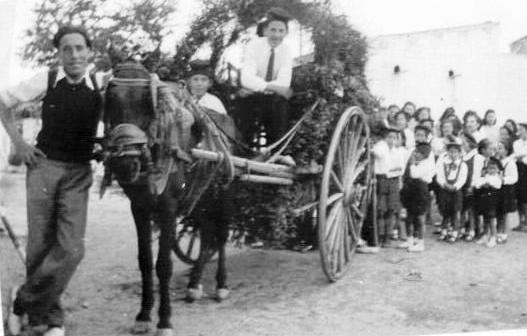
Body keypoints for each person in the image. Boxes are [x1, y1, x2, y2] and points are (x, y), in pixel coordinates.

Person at [0, 26, 102, 336]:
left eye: (79, 48)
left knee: (71, 249)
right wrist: (19, 143)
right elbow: (3, 101)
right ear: (58, 54)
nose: (74, 55)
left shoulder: (101, 83)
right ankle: (48, 319)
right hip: (44, 168)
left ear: (89, 52)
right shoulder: (45, 80)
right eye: (66, 49)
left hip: (78, 172)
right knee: (40, 245)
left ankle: (25, 301)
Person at [235, 7, 293, 147]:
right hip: (252, 96)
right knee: (244, 105)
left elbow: (284, 83)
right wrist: (270, 87)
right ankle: (244, 151)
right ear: (265, 30)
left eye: (281, 31)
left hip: (271, 99)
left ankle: (275, 152)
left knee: (280, 107)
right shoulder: (254, 46)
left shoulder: (286, 52)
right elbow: (247, 78)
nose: (276, 35)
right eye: (273, 30)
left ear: (286, 33)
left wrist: (259, 86)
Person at [372, 127, 407, 247]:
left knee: (391, 210)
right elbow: (377, 153)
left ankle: (388, 236)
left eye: (394, 138)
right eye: (389, 137)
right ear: (385, 138)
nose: (392, 140)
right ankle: (380, 236)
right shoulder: (380, 148)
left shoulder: (398, 152)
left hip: (393, 181)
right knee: (381, 210)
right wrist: (382, 144)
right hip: (381, 180)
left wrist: (390, 172)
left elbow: (400, 168)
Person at [399, 142, 435, 252]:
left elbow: (414, 174)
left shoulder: (426, 165)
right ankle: (410, 239)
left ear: (425, 155)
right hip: (411, 189)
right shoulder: (416, 162)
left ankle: (420, 242)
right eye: (415, 152)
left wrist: (412, 164)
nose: (415, 154)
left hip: (421, 191)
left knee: (419, 217)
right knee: (409, 216)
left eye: (418, 153)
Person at [435, 137, 468, 242]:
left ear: (459, 153)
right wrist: (444, 184)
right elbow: (439, 176)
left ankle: (454, 231)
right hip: (445, 189)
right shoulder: (443, 163)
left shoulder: (462, 165)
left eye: (455, 152)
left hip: (455, 190)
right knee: (445, 211)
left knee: (455, 211)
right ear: (447, 152)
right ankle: (444, 230)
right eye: (450, 152)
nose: (453, 154)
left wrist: (455, 186)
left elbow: (463, 178)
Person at [473, 157, 503, 248]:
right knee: (485, 218)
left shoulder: (497, 178)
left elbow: (497, 186)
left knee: (491, 218)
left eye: (494, 168)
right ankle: (485, 235)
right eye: (490, 168)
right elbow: (477, 185)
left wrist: (489, 184)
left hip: (492, 201)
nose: (492, 170)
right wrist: (482, 184)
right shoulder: (485, 177)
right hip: (485, 200)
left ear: (498, 169)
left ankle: (493, 236)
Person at [496, 138, 518, 243]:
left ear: (507, 150)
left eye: (500, 148)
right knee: (498, 212)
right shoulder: (496, 161)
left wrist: (503, 179)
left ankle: (503, 233)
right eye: (498, 148)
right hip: (497, 189)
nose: (498, 150)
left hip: (506, 190)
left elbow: (514, 178)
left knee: (504, 213)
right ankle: (498, 231)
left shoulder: (510, 162)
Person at [460, 133, 479, 241]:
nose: (463, 145)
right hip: (462, 184)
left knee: (471, 209)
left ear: (470, 143)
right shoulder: (464, 155)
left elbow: (475, 172)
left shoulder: (475, 156)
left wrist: (472, 185)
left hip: (470, 185)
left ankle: (472, 229)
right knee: (463, 207)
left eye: (464, 143)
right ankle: (462, 228)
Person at [513, 123, 527, 230]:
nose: (520, 132)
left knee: (525, 198)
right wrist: (522, 155)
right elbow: (517, 154)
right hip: (519, 169)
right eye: (519, 130)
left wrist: (521, 156)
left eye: (522, 129)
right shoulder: (516, 143)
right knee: (519, 197)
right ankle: (521, 222)